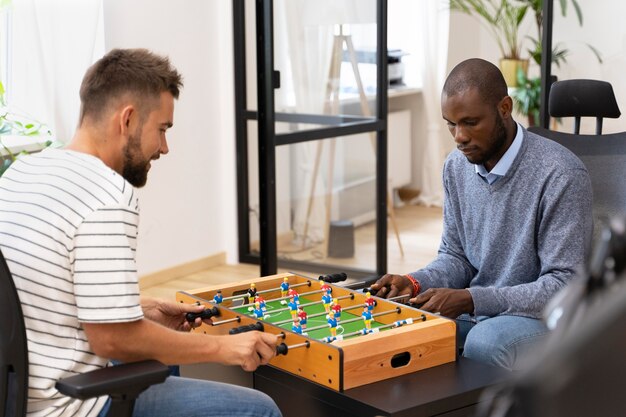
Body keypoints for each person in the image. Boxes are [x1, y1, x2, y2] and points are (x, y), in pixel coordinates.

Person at [0, 49, 281, 417]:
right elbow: (113, 338)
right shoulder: (106, 195)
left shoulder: (24, 172)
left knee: (163, 361)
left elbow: (45, 295)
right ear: (128, 120)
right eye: (162, 130)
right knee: (259, 409)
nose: (164, 148)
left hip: (18, 394)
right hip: (69, 405)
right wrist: (226, 349)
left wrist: (143, 309)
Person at [371, 58, 593, 371]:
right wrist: (413, 282)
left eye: (470, 122)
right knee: (405, 324)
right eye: (451, 123)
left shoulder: (560, 173)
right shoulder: (455, 167)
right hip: (483, 308)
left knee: (484, 341)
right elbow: (456, 257)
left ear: (505, 108)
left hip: (545, 316)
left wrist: (473, 299)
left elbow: (564, 285)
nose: (459, 136)